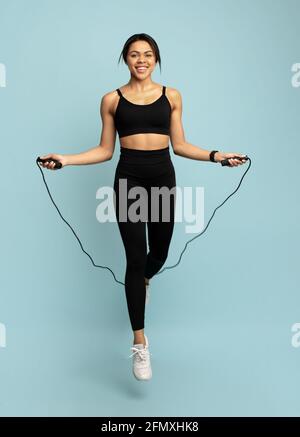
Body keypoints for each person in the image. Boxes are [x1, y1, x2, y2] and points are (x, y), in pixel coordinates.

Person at [38, 33, 247, 381]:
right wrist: (66, 159)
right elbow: (105, 150)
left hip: (163, 176)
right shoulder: (111, 100)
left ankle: (145, 280)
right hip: (129, 179)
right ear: (126, 59)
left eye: (148, 55)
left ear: (156, 59)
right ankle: (140, 343)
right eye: (134, 54)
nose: (141, 60)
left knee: (159, 253)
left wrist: (217, 156)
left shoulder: (172, 96)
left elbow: (180, 145)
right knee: (135, 258)